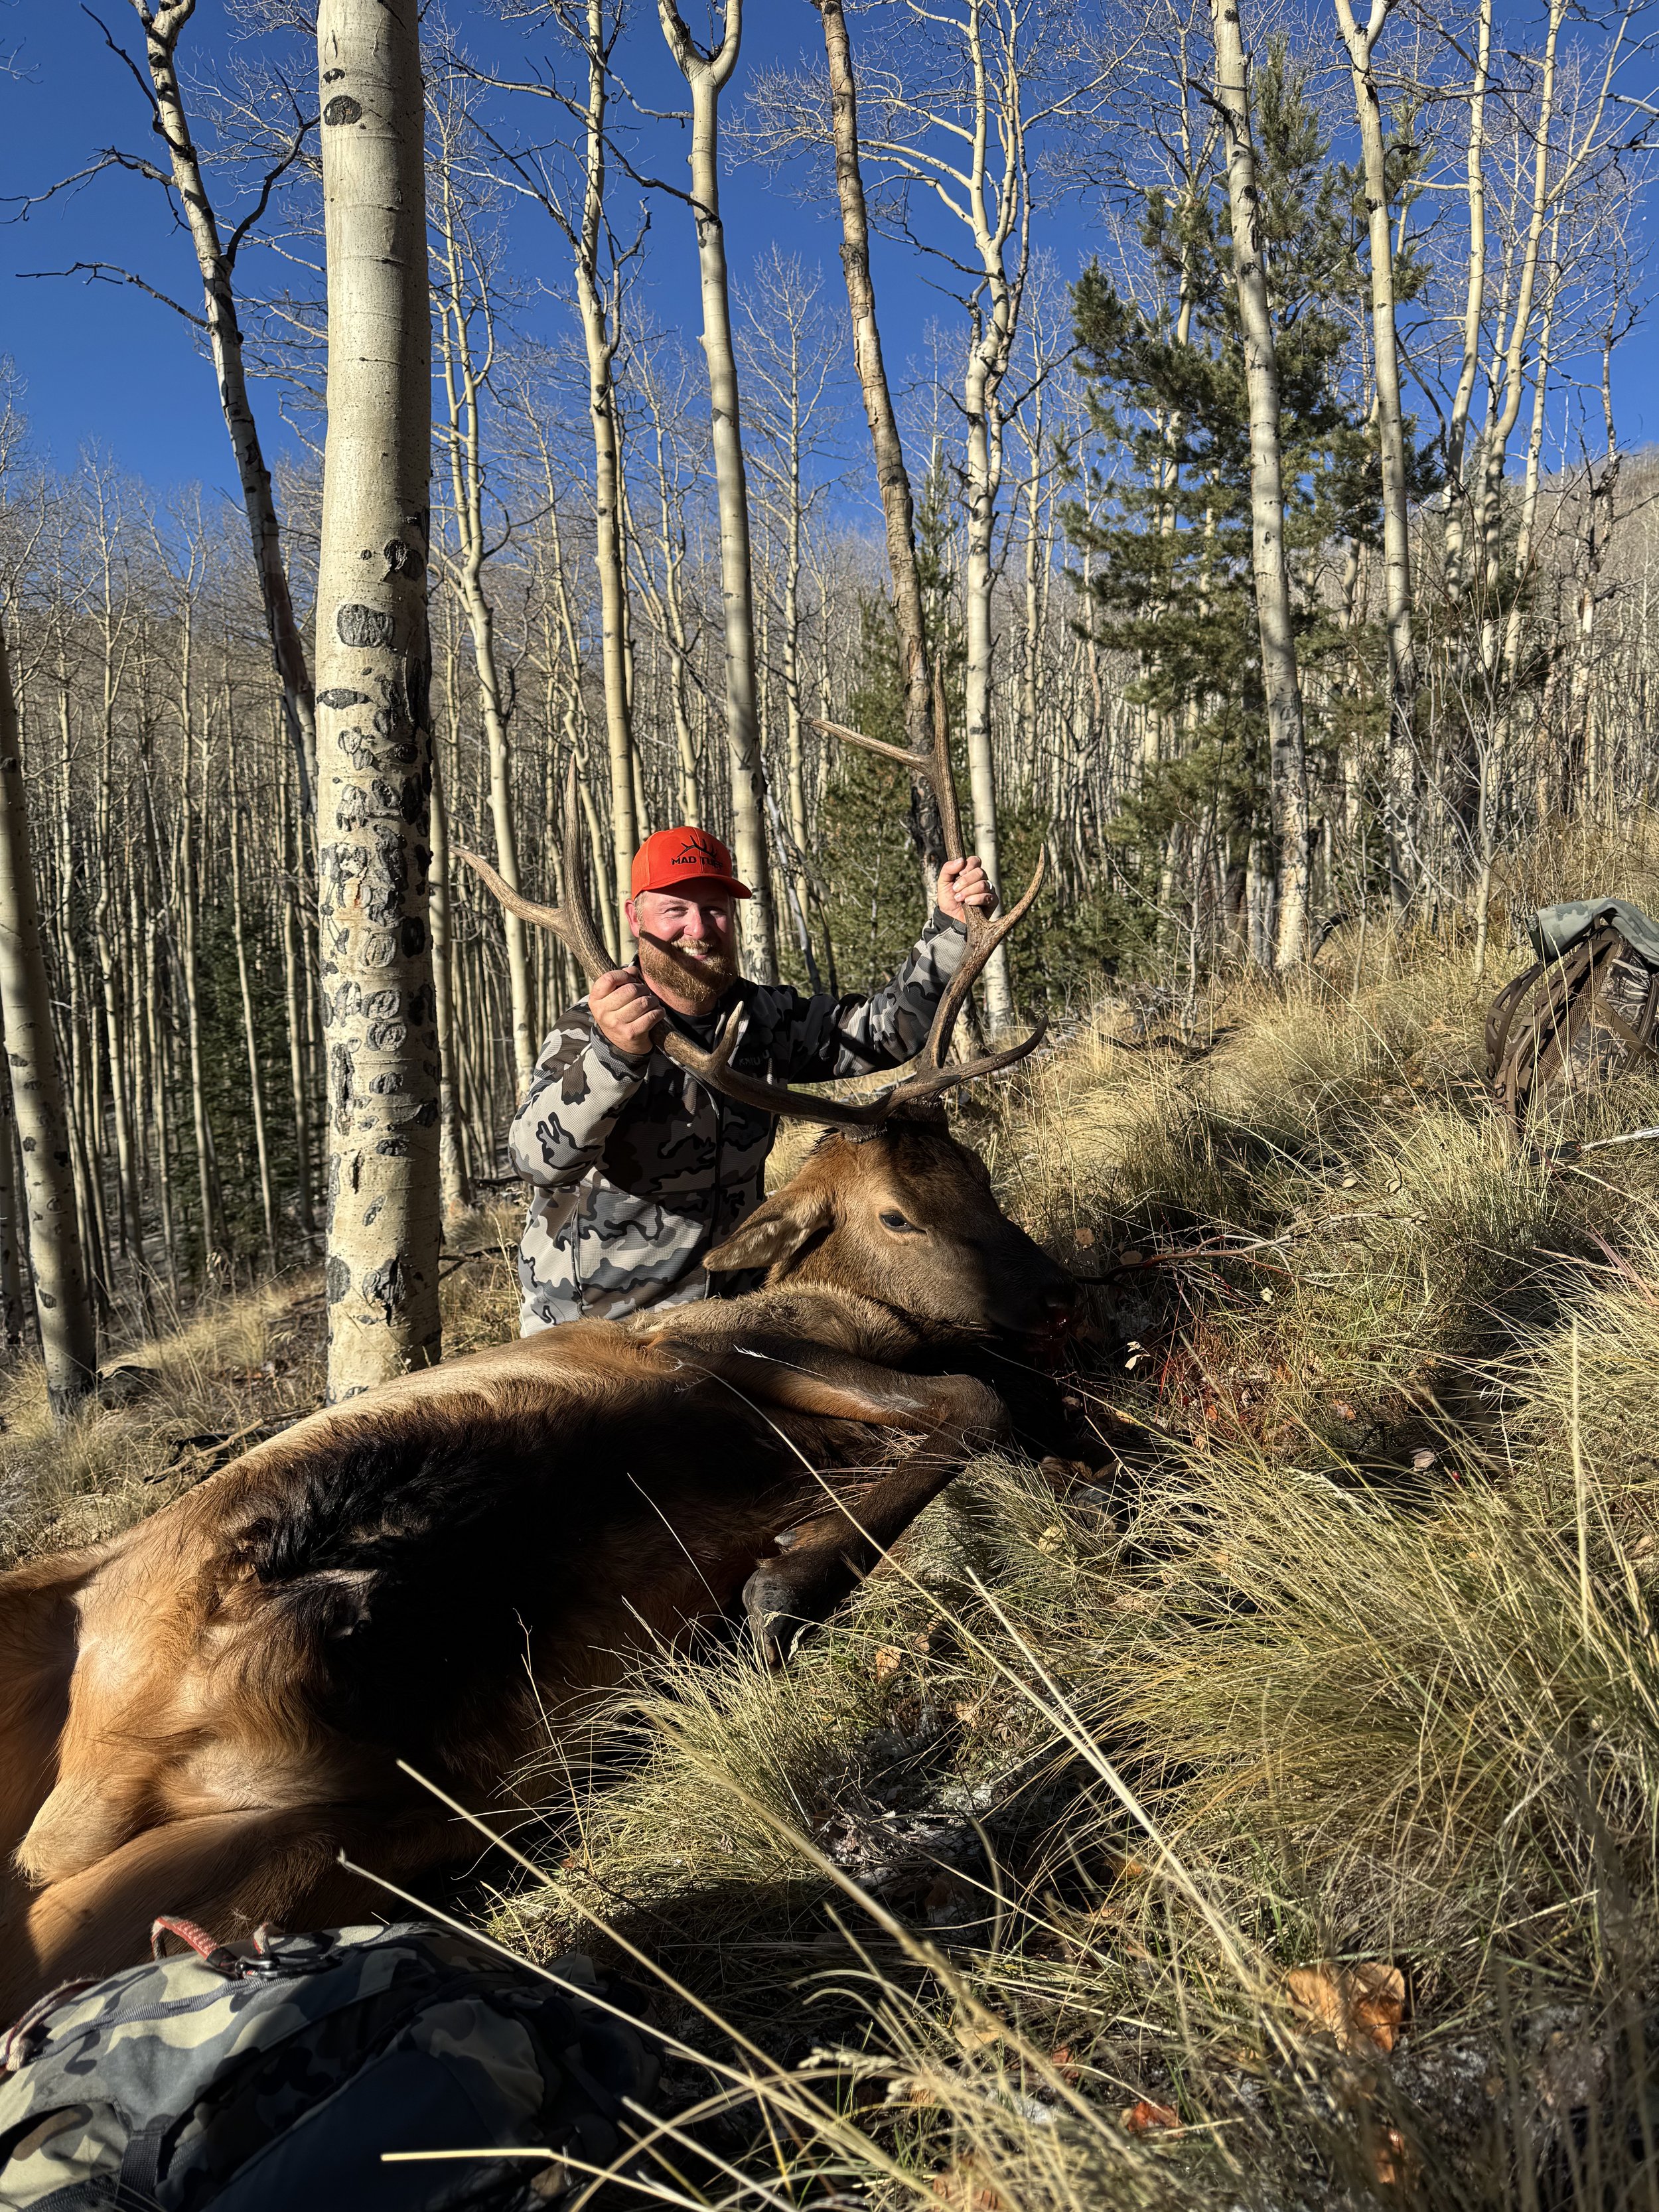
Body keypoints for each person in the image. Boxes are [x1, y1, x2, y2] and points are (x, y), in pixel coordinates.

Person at [508, 824, 994, 1331]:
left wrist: (949, 927)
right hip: (600, 1328)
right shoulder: (593, 1026)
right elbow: (536, 1162)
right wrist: (613, 1058)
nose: (698, 928)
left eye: (714, 908)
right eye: (676, 909)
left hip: (731, 1311)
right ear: (636, 916)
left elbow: (887, 1030)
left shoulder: (763, 1016)